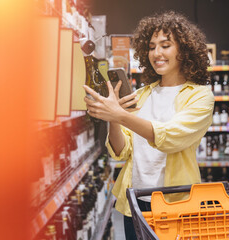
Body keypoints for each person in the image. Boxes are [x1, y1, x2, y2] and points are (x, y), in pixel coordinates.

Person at [84, 10, 215, 240]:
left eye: (165, 45)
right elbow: (121, 150)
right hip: (134, 203)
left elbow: (170, 138)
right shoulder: (141, 95)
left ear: (184, 50)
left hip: (176, 206)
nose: (157, 53)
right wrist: (114, 119)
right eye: (152, 46)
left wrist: (121, 115)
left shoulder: (200, 96)